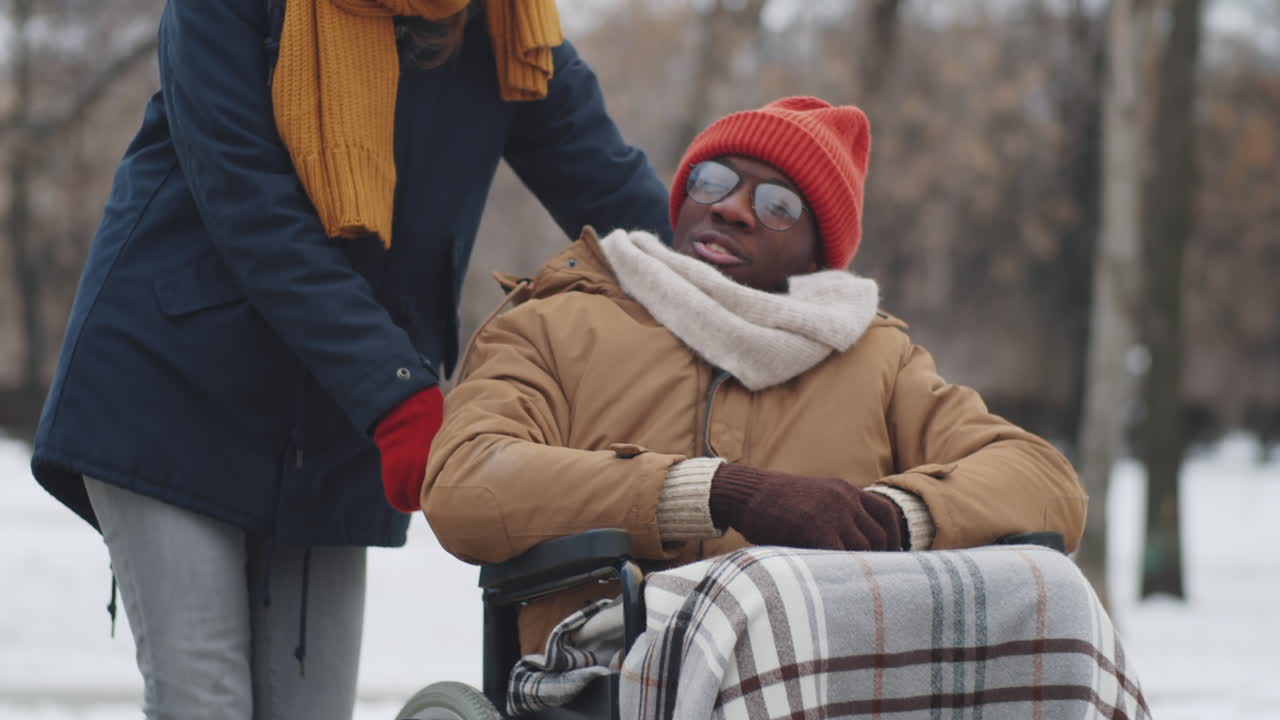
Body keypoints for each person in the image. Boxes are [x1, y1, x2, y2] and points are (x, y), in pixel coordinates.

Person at [29, 1, 670, 718]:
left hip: (335, 418)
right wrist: (394, 392)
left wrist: (746, 293)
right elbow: (250, 205)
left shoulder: (506, 22)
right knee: (203, 700)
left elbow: (611, 189)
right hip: (172, 384)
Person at [420, 97, 1132, 717]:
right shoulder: (555, 322)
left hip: (842, 665)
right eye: (715, 179)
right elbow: (466, 480)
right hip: (612, 654)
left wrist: (895, 517)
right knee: (758, 594)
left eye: (777, 204)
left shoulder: (874, 359)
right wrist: (716, 492)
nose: (731, 206)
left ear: (817, 257)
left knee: (1054, 590)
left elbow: (1043, 480)